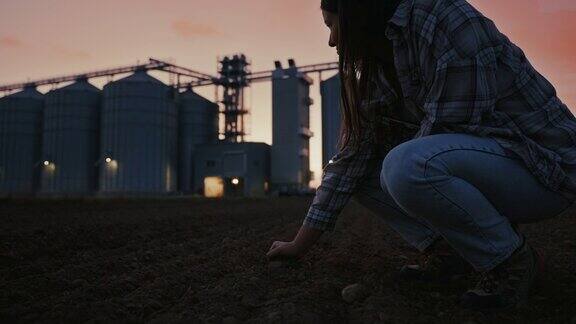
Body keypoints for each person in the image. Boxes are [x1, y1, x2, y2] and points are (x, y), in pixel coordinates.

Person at [266, 0, 576, 311]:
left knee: (405, 165)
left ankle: (512, 261)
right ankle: (452, 253)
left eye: (332, 25)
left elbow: (451, 128)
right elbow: (350, 160)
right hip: (492, 163)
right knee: (364, 173)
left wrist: (397, 166)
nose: (332, 40)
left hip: (545, 170)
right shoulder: (382, 67)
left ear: (357, 14)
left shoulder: (444, 20)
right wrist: (299, 245)